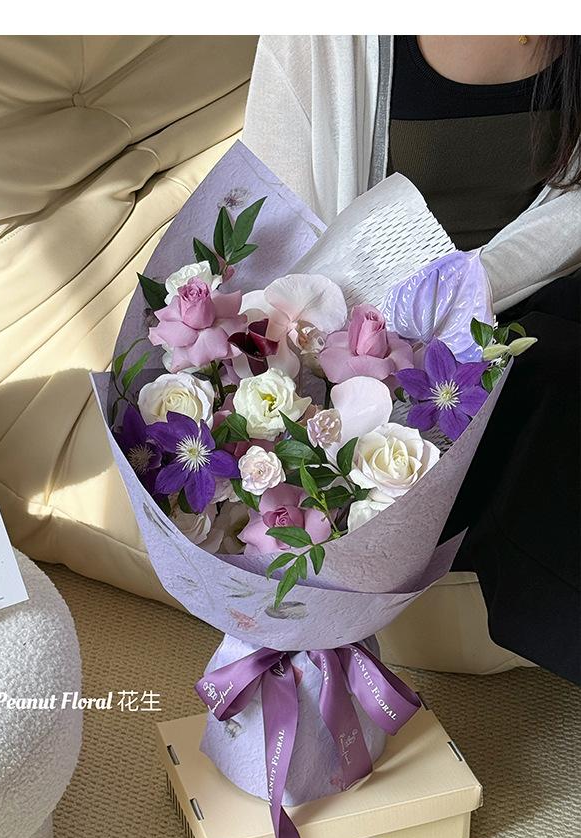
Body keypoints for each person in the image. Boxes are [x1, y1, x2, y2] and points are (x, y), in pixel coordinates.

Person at [243, 36, 581, 684]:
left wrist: (472, 294)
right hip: (373, 380)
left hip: (534, 331)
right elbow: (271, 242)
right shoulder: (323, 37)